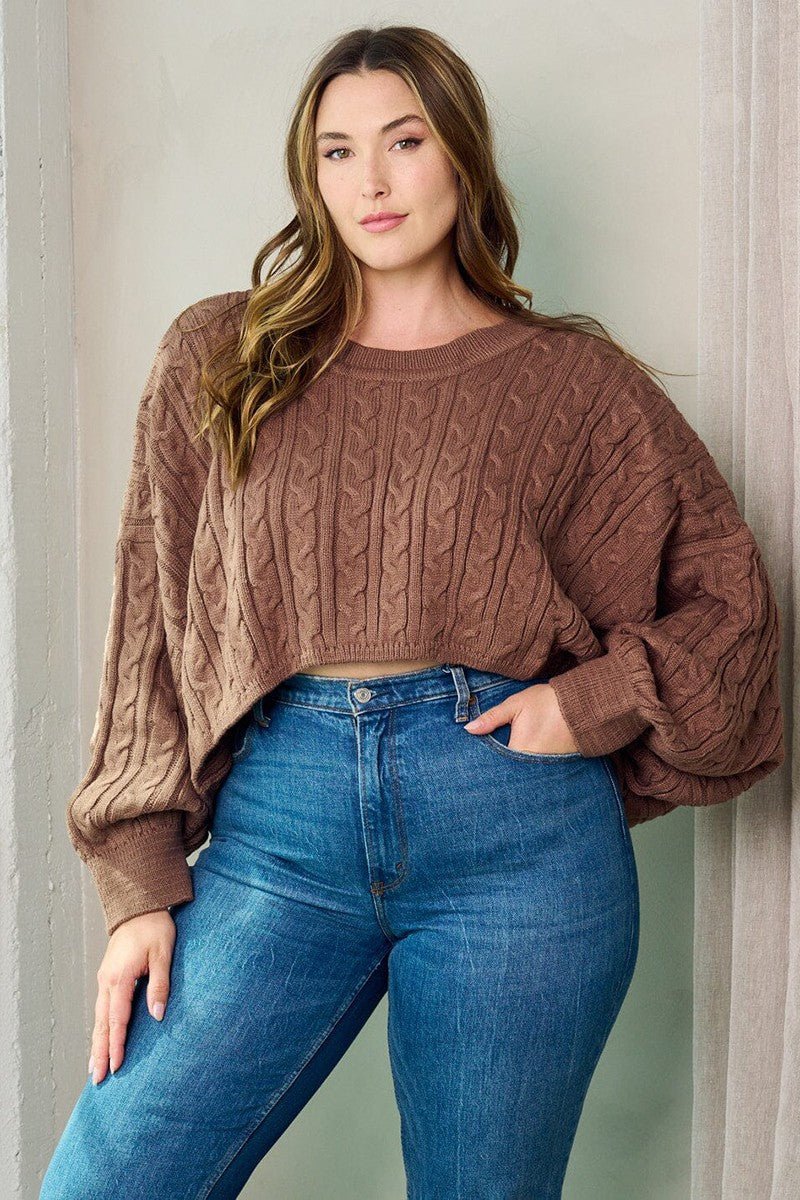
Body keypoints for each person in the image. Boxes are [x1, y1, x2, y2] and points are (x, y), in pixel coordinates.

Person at [41, 24, 785, 1200]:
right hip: (279, 825)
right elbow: (153, 620)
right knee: (111, 1179)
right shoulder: (222, 355)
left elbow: (730, 607)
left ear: (461, 158)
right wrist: (138, 878)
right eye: (336, 152)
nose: (371, 182)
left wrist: (590, 702)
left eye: (404, 140)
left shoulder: (571, 386)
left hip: (515, 835)